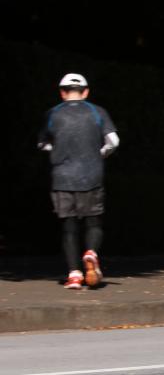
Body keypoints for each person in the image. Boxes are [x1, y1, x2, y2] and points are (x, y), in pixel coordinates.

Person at [37, 73, 119, 289]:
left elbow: (42, 144)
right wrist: (98, 154)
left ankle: (74, 274)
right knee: (93, 221)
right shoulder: (97, 112)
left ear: (62, 92)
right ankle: (91, 252)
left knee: (69, 227)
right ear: (86, 92)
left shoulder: (52, 114)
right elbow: (113, 141)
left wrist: (58, 151)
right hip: (92, 174)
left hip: (62, 176)